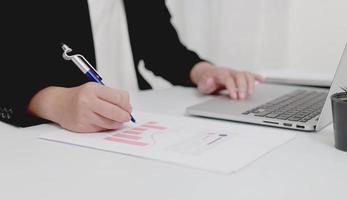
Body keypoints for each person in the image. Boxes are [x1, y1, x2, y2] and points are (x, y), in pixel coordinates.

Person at [1, 0, 263, 133]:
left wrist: (203, 71)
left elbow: (162, 48)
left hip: (133, 122)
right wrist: (52, 101)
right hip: (53, 138)